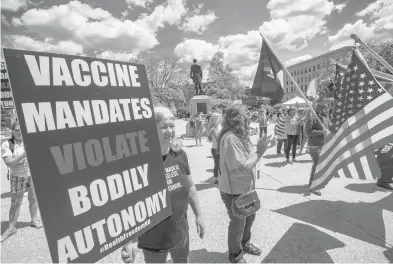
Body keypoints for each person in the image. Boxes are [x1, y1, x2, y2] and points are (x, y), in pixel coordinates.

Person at [121, 106, 205, 263]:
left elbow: (191, 186)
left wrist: (199, 215)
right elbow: (129, 202)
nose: (170, 131)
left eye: (172, 126)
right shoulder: (140, 161)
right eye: (163, 127)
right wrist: (128, 241)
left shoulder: (179, 154)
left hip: (180, 232)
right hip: (153, 238)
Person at [217, 105, 269, 263]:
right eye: (246, 117)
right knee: (238, 223)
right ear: (238, 120)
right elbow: (241, 167)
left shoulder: (241, 136)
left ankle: (244, 243)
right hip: (234, 191)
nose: (250, 120)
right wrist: (260, 151)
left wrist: (261, 148)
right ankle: (235, 255)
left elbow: (249, 158)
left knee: (250, 217)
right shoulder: (231, 138)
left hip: (246, 188)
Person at [1, 121, 42, 242]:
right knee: (15, 204)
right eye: (17, 130)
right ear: (12, 131)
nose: (19, 132)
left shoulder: (29, 141)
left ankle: (34, 220)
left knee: (33, 199)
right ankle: (11, 228)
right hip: (17, 176)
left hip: (32, 175)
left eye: (21, 130)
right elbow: (9, 163)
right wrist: (23, 155)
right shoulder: (7, 144)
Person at [306, 103, 330, 196]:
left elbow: (329, 129)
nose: (327, 110)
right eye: (326, 109)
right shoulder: (312, 119)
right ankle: (312, 185)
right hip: (314, 146)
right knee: (317, 164)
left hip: (323, 145)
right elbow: (308, 131)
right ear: (320, 110)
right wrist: (320, 132)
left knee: (321, 165)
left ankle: (317, 181)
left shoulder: (326, 119)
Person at [207, 112, 223, 186]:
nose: (221, 118)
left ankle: (221, 179)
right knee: (217, 165)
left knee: (221, 165)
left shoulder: (220, 126)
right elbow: (217, 139)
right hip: (216, 149)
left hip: (222, 149)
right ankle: (216, 180)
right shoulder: (213, 129)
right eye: (219, 117)